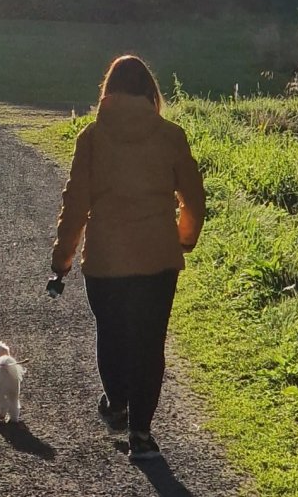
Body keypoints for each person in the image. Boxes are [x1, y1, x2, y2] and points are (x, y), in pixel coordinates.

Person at [50, 54, 206, 463]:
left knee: (113, 333)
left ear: (109, 93)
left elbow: (75, 205)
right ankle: (141, 433)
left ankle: (116, 403)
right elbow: (194, 198)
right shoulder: (172, 135)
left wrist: (62, 259)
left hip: (105, 259)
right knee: (150, 343)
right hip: (158, 258)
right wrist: (183, 240)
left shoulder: (92, 137)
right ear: (150, 93)